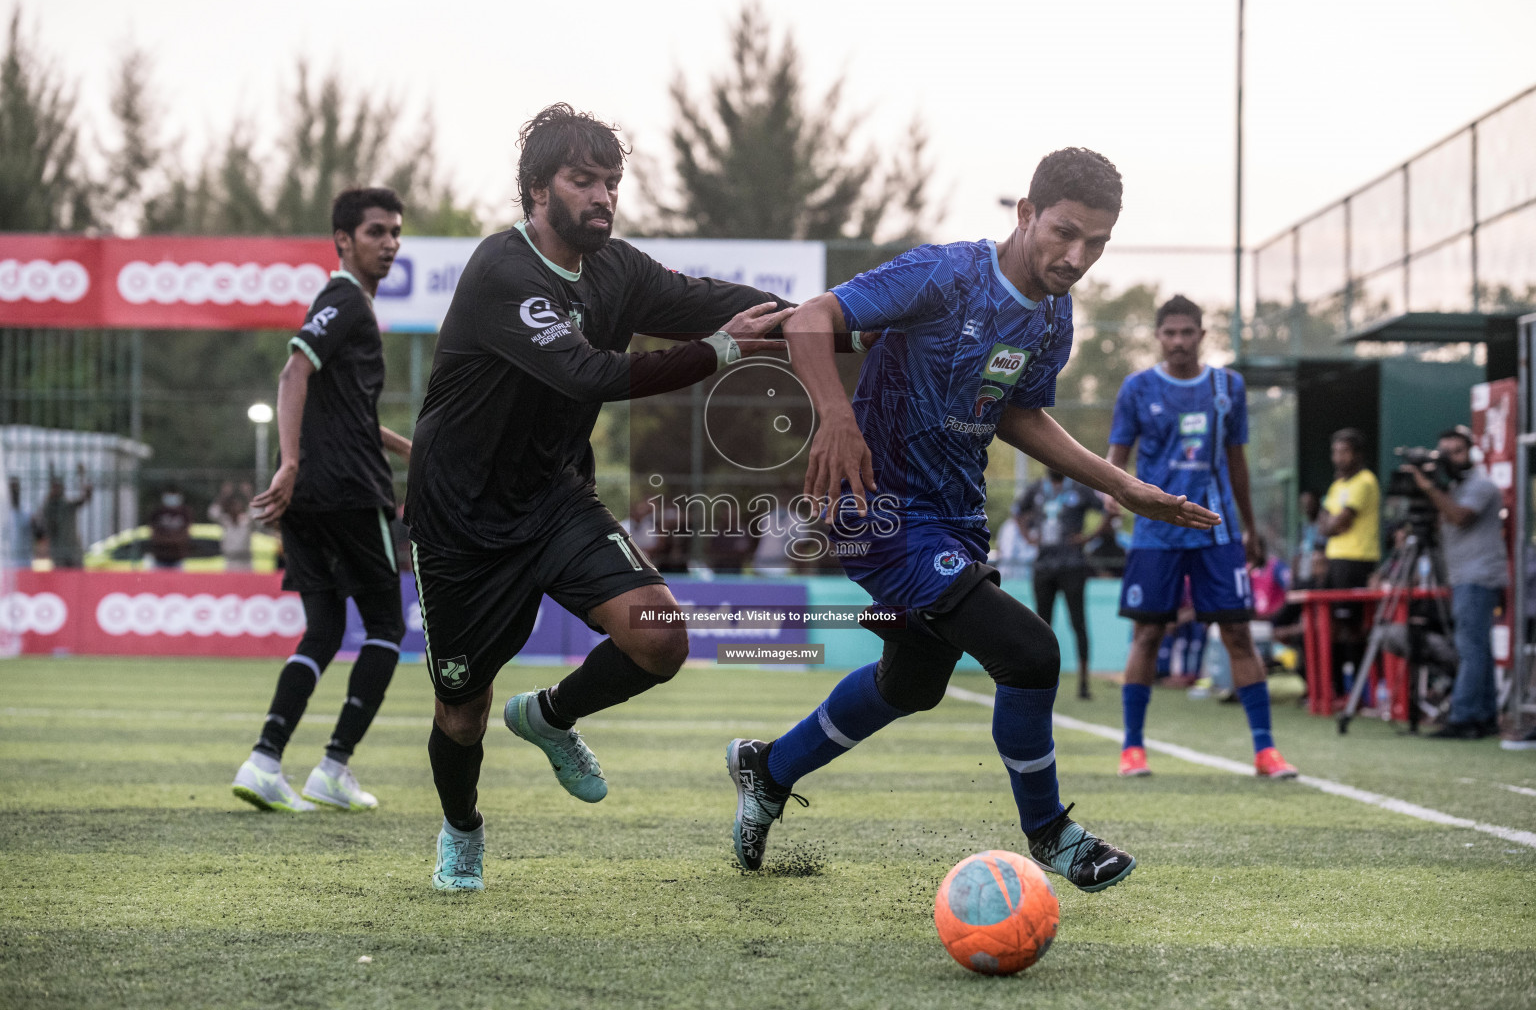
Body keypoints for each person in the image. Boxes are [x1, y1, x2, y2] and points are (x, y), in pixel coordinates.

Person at [726, 148, 1221, 895]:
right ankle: (1052, 834)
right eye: (1063, 233)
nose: (1076, 256)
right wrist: (836, 416)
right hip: (877, 507)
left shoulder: (1055, 316)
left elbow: (1021, 413)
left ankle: (767, 770)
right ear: (1024, 214)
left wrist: (1125, 487)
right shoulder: (946, 272)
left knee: (913, 682)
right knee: (1029, 652)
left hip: (955, 518)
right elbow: (813, 321)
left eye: (1096, 243)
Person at [405, 104, 798, 892]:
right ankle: (462, 830)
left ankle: (551, 716)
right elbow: (587, 373)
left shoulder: (617, 269)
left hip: (554, 500)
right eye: (583, 180)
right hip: (460, 522)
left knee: (659, 638)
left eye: (611, 182)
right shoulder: (501, 272)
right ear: (535, 190)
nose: (603, 197)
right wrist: (715, 354)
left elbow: (719, 301)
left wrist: (846, 317)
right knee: (462, 711)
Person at [232, 186, 413, 815]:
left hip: (310, 496)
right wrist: (288, 459)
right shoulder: (345, 299)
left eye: (395, 232)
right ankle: (334, 766)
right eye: (375, 232)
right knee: (387, 627)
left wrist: (409, 449)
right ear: (343, 240)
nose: (389, 243)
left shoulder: (349, 305)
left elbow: (350, 414)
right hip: (349, 493)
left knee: (326, 628)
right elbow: (292, 372)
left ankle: (263, 760)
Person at [1107, 295, 1298, 780]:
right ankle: (1132, 749)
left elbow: (1236, 461)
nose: (1177, 341)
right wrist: (1111, 490)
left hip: (1218, 531)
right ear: (1157, 336)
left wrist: (1250, 526)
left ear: (1201, 335)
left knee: (1237, 632)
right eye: (1168, 333)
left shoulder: (1227, 386)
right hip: (1155, 533)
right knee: (1148, 632)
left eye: (1186, 332)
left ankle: (1265, 751)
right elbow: (1117, 455)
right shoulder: (1137, 387)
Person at [1407, 426, 1509, 739]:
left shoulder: (1481, 485)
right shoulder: (1452, 488)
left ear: (1471, 452)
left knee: (1470, 648)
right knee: (1478, 648)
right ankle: (1486, 716)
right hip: (1464, 576)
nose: (1452, 458)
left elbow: (1460, 517)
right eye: (1446, 452)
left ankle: (1463, 717)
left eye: (1458, 451)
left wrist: (1429, 489)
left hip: (1478, 577)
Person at [1019, 468, 1103, 699]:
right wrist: (1027, 537)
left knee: (1078, 623)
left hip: (1072, 565)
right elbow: (1017, 512)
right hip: (1044, 566)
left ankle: (1084, 684)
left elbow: (1109, 512)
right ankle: (1038, 681)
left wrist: (1089, 537)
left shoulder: (1079, 489)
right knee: (1041, 626)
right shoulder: (1036, 489)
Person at [1317, 428, 1381, 698]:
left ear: (1357, 454)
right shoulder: (1337, 485)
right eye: (1335, 452)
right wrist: (1330, 524)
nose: (1338, 458)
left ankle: (1360, 690)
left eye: (1344, 452)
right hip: (1336, 560)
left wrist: (1331, 524)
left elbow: (1338, 522)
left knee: (1354, 628)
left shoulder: (1365, 482)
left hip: (1358, 561)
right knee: (1331, 626)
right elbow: (1323, 525)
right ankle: (1333, 689)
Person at [40, 466, 91, 568]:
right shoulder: (49, 506)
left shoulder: (67, 505)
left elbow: (84, 498)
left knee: (77, 580)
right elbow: (45, 523)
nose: (56, 490)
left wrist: (82, 477)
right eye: (54, 487)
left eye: (58, 487)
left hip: (73, 551)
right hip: (59, 553)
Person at [208, 482, 256, 571]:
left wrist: (249, 494)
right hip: (230, 561)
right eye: (233, 506)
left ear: (242, 509)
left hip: (246, 561)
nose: (235, 508)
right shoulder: (226, 521)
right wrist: (223, 495)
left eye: (238, 506)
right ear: (229, 508)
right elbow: (213, 512)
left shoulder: (246, 521)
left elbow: (256, 512)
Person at [146, 484, 193, 568]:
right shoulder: (157, 512)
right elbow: (152, 532)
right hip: (159, 558)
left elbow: (186, 533)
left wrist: (170, 539)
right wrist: (170, 540)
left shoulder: (185, 512)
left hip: (178, 558)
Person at [6, 477, 39, 569]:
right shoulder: (4, 512)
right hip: (6, 564)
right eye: (12, 489)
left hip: (25, 563)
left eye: (16, 489)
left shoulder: (27, 510)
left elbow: (37, 531)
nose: (14, 492)